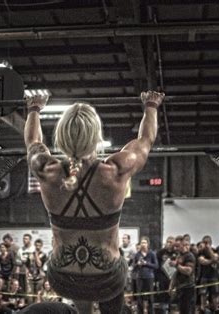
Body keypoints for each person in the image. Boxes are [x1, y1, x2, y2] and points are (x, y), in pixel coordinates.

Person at [24, 90, 164, 314]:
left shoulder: (47, 171)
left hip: (62, 276)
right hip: (106, 278)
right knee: (113, 276)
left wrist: (34, 108)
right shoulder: (116, 171)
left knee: (82, 294)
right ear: (96, 137)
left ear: (62, 137)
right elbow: (145, 140)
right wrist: (151, 105)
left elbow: (33, 141)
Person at [169, 239, 196, 314]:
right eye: (175, 246)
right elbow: (176, 272)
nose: (176, 248)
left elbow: (188, 271)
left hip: (188, 287)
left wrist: (176, 265)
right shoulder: (179, 255)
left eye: (177, 246)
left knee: (188, 310)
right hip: (180, 287)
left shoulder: (190, 256)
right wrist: (171, 285)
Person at [133, 236, 158, 314]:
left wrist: (146, 263)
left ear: (148, 244)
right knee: (139, 297)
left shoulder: (152, 254)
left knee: (150, 297)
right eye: (142, 243)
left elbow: (156, 266)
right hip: (139, 278)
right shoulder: (137, 254)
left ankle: (151, 312)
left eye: (145, 243)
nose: (143, 244)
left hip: (149, 277)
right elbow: (133, 266)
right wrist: (138, 264)